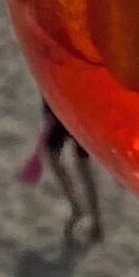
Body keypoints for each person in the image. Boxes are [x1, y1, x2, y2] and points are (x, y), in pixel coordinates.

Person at [19, 98, 103, 247]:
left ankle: (91, 217)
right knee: (65, 161)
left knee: (80, 165)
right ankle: (81, 210)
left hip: (71, 109)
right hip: (59, 109)